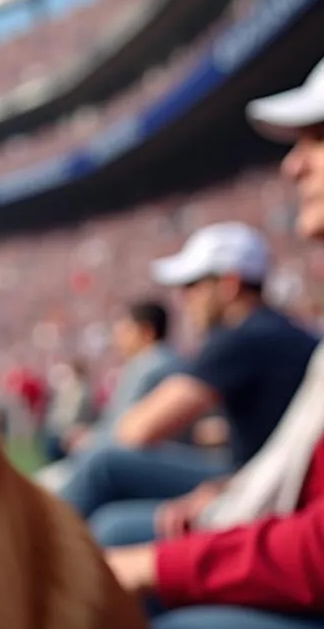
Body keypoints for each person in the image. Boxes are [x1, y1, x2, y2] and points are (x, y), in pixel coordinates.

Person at [103, 56, 324, 629]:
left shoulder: (249, 335)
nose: (295, 163)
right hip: (272, 524)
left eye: (318, 139)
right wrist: (224, 499)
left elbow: (132, 433)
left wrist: (161, 562)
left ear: (227, 283)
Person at [60, 220, 317, 520]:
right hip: (266, 480)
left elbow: (137, 430)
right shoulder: (281, 329)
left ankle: (29, 555)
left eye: (192, 285)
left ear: (229, 284)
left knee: (104, 477)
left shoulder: (240, 337)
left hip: (264, 495)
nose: (184, 299)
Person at [36, 301, 181, 491]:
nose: (119, 338)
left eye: (126, 331)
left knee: (49, 483)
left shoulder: (151, 366)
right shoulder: (155, 363)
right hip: (132, 452)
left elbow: (126, 431)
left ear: (146, 332)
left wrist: (91, 439)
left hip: (137, 457)